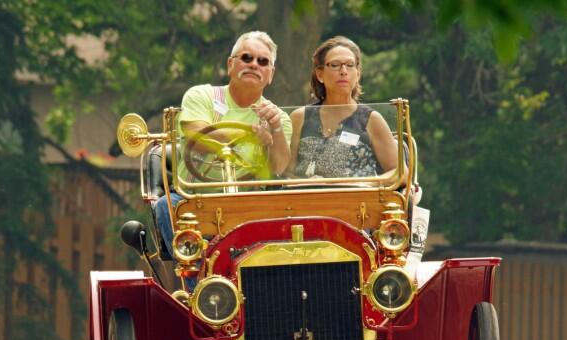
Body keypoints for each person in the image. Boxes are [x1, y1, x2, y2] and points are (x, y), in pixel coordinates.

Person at [155, 31, 292, 255]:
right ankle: (202, 286)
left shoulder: (278, 118)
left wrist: (274, 129)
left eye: (263, 61)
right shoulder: (202, 95)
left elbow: (279, 167)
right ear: (231, 64)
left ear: (271, 74)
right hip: (196, 201)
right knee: (166, 206)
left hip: (250, 205)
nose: (254, 65)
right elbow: (195, 134)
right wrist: (249, 135)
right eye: (246, 58)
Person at [288, 36, 398, 180]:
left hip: (358, 200)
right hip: (308, 199)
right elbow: (286, 172)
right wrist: (305, 184)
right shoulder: (299, 117)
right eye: (335, 65)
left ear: (357, 74)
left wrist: (365, 184)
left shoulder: (371, 119)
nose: (343, 71)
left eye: (350, 65)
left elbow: (399, 172)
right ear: (320, 74)